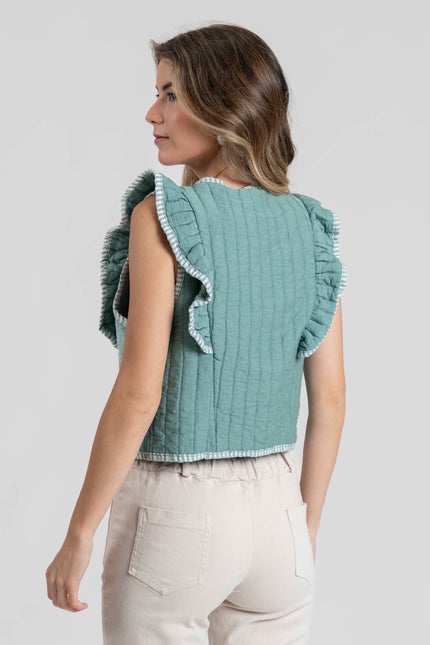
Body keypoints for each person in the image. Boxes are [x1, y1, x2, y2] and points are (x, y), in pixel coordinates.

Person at [45, 23, 348, 645]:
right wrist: (304, 529)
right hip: (279, 518)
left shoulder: (165, 214)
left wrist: (79, 533)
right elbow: (332, 400)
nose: (152, 113)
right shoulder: (310, 226)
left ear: (223, 104)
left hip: (178, 516)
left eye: (171, 95)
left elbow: (140, 393)